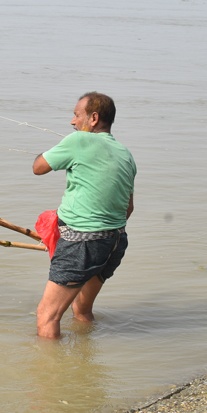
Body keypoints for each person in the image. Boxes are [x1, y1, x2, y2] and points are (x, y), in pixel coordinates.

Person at [31, 92, 136, 339]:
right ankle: (84, 367)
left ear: (94, 118)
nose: (72, 122)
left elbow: (38, 168)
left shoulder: (78, 140)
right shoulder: (125, 154)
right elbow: (128, 208)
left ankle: (52, 375)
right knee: (81, 311)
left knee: (47, 316)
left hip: (82, 243)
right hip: (115, 241)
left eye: (77, 115)